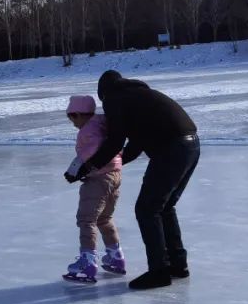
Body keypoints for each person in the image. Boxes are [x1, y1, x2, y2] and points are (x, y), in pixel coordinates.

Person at [67, 70, 199, 290]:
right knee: (164, 207)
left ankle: (158, 272)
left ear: (103, 92)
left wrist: (88, 167)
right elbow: (134, 145)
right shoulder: (138, 97)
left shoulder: (115, 99)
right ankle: (178, 265)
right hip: (192, 145)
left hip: (172, 149)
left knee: (147, 209)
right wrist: (109, 165)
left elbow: (115, 141)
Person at [62, 95, 125, 283]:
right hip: (115, 175)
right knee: (105, 219)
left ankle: (87, 263)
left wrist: (76, 167)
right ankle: (116, 257)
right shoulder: (101, 124)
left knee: (86, 220)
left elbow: (93, 147)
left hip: (98, 179)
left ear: (80, 114)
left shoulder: (88, 130)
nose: (72, 123)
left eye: (72, 117)